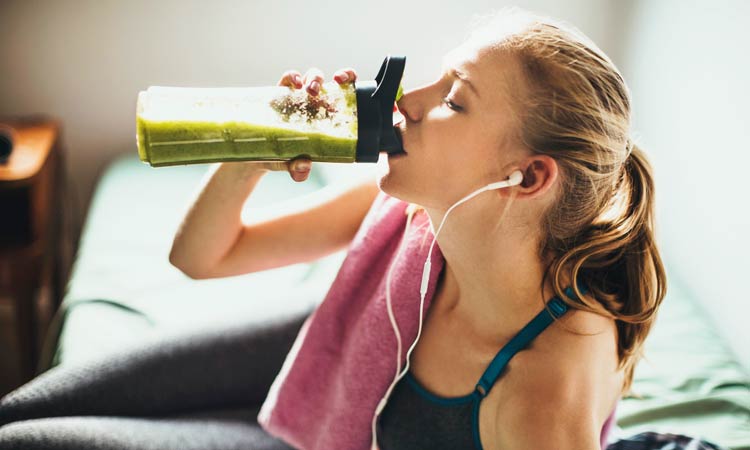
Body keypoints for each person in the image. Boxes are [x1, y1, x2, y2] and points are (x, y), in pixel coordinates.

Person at [168, 6, 667, 450]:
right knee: (88, 390)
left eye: (453, 99)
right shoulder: (413, 211)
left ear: (528, 176)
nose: (405, 102)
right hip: (324, 350)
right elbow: (202, 257)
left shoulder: (540, 394)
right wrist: (260, 147)